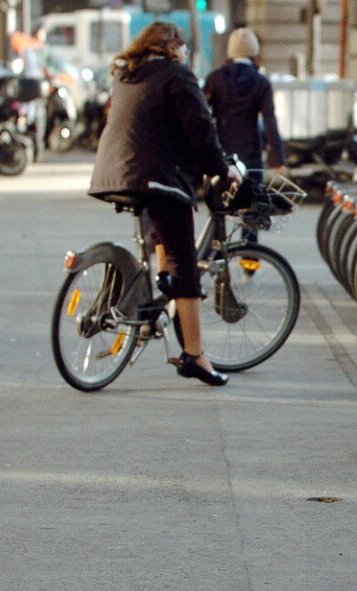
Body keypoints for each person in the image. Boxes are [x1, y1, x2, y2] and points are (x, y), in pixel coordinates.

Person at [89, 21, 241, 387]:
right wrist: (222, 170)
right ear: (172, 46)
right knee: (186, 262)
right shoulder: (177, 75)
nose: (187, 52)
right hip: (156, 179)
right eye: (185, 46)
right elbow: (200, 131)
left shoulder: (127, 75)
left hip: (114, 175)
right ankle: (195, 356)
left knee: (164, 239)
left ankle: (160, 284)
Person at [204, 28, 287, 242]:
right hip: (251, 154)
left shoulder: (214, 79)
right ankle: (249, 265)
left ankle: (217, 259)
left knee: (218, 209)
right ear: (254, 52)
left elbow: (203, 118)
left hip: (220, 156)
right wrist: (278, 159)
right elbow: (269, 120)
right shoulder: (261, 83)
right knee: (252, 210)